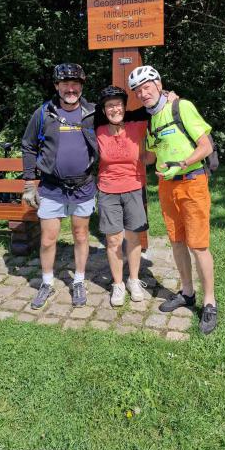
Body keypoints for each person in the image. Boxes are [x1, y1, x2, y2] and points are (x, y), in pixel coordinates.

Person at [128, 65, 217, 334]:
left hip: (192, 182)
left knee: (198, 245)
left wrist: (183, 163)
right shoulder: (153, 119)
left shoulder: (182, 107)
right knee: (177, 241)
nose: (143, 94)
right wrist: (121, 150)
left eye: (146, 87)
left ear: (158, 83)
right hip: (167, 187)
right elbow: (152, 156)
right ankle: (187, 293)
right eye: (138, 91)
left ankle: (210, 302)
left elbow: (206, 146)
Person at [22, 63, 97, 310]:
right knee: (47, 240)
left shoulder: (93, 112)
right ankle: (46, 282)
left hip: (83, 186)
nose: (70, 88)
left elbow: (122, 116)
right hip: (52, 188)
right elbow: (29, 146)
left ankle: (78, 280)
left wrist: (163, 98)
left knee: (80, 235)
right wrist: (29, 183)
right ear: (57, 86)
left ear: (82, 86)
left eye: (75, 83)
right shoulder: (44, 112)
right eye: (65, 84)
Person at [96, 85, 148, 307]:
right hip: (108, 189)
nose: (114, 109)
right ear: (104, 110)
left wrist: (170, 96)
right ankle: (117, 284)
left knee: (134, 237)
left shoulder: (138, 125)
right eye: (109, 106)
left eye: (118, 104)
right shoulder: (97, 129)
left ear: (125, 107)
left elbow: (158, 107)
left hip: (134, 187)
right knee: (113, 239)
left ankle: (134, 280)